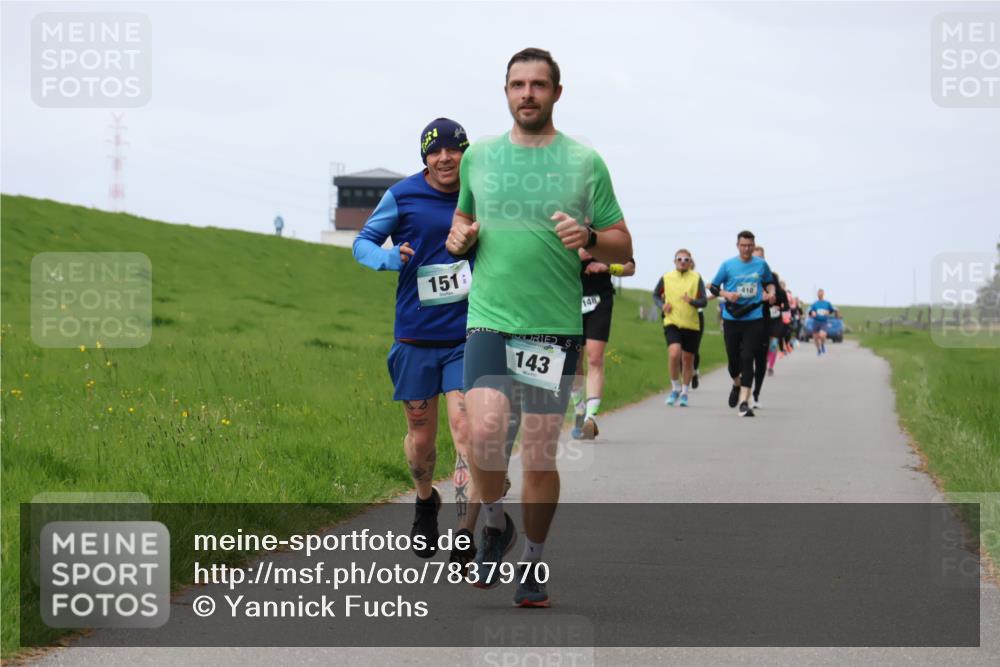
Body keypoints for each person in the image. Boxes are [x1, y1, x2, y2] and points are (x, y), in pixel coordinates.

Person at [446, 47, 632, 607]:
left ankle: (533, 560)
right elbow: (463, 218)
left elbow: (624, 242)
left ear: (556, 92)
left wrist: (591, 239)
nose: (527, 94)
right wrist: (460, 239)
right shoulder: (478, 157)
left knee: (540, 453)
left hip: (552, 328)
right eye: (516, 85)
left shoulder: (584, 162)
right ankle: (495, 523)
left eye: (538, 85)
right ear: (505, 92)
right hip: (489, 320)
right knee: (482, 433)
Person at [352, 118, 478, 566]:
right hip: (415, 337)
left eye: (453, 149)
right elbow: (362, 243)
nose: (444, 157)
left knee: (466, 431)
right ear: (424, 157)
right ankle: (426, 501)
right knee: (421, 439)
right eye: (434, 151)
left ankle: (465, 531)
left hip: (467, 335)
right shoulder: (403, 195)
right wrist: (389, 257)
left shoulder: (480, 194)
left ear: (465, 152)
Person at [708, 230, 775, 417]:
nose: (746, 249)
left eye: (749, 245)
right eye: (743, 245)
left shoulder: (761, 265)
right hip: (732, 318)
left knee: (748, 357)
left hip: (754, 318)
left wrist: (770, 293)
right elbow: (714, 286)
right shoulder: (727, 265)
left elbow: (770, 282)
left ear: (753, 246)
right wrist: (726, 294)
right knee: (733, 362)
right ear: (737, 246)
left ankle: (745, 402)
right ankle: (736, 384)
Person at [571, 250, 635, 439]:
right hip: (569, 299)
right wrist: (576, 256)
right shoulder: (561, 229)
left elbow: (630, 267)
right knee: (573, 360)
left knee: (595, 358)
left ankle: (591, 419)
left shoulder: (605, 233)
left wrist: (606, 266)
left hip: (600, 299)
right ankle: (579, 410)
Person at [653, 249, 707, 407]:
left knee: (688, 359)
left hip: (691, 323)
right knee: (674, 352)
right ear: (674, 261)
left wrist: (692, 301)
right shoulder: (666, 277)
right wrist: (662, 306)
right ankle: (675, 387)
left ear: (690, 262)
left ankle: (684, 392)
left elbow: (704, 301)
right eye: (679, 259)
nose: (683, 262)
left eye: (686, 259)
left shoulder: (696, 278)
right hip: (672, 322)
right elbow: (655, 295)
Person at [750, 246, 788, 408]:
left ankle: (755, 394)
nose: (759, 261)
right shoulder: (743, 273)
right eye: (756, 257)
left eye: (762, 258)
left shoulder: (770, 276)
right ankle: (741, 386)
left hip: (769, 320)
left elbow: (781, 297)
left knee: (764, 354)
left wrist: (774, 299)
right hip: (748, 320)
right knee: (745, 357)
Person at [809, 289, 838, 355]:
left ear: (823, 294)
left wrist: (828, 312)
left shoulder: (827, 303)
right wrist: (812, 313)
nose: (820, 294)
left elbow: (832, 310)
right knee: (815, 339)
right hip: (816, 321)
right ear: (817, 294)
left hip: (823, 322)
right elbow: (810, 311)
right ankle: (818, 350)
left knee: (822, 335)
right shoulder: (814, 304)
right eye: (818, 293)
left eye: (821, 293)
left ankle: (822, 345)